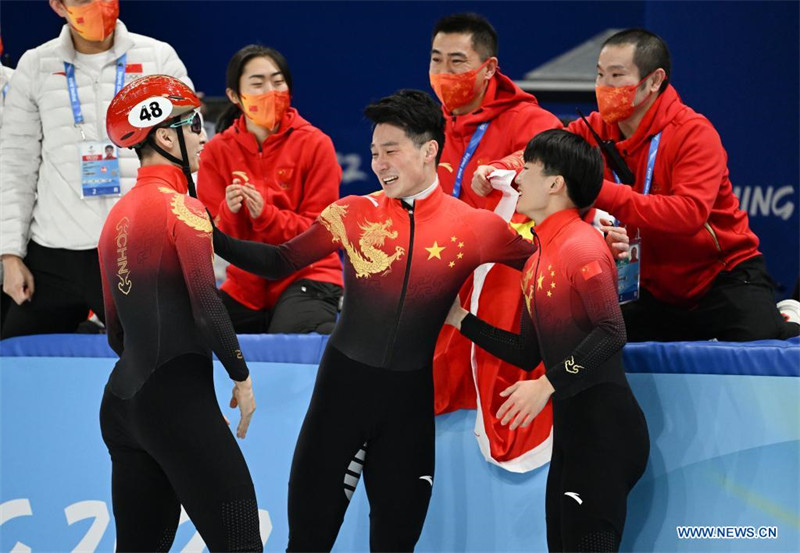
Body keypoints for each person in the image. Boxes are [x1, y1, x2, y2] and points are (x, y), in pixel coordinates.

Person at [211, 90, 537, 551]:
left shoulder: (475, 227)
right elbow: (282, 260)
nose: (379, 163)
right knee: (306, 543)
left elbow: (548, 266)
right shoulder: (353, 214)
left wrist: (604, 247)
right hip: (340, 399)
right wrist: (210, 232)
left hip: (407, 408)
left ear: (429, 151)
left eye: (391, 151)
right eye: (374, 153)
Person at [490, 29, 799, 342]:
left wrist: (599, 190)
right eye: (599, 74)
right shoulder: (594, 129)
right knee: (591, 340)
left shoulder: (693, 133)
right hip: (652, 287)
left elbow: (689, 214)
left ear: (654, 81)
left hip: (722, 277)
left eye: (617, 76)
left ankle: (788, 318)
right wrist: (501, 168)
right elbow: (546, 151)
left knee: (763, 346)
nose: (604, 86)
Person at [446, 129, 649, 552]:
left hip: (605, 431)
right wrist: (460, 319)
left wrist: (548, 384)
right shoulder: (538, 258)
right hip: (574, 432)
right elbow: (526, 352)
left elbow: (612, 331)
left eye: (527, 170)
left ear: (555, 184)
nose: (517, 180)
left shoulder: (582, 247)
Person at [99, 75, 261, 552]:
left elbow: (115, 328)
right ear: (166, 137)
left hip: (122, 404)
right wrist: (242, 376)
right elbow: (208, 305)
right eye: (194, 125)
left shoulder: (116, 216)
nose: (203, 135)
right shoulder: (182, 207)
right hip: (175, 405)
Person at [0, 0, 190, 338]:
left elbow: (187, 150)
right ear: (58, 5)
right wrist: (10, 254)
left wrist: (186, 234)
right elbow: (16, 164)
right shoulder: (35, 66)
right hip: (56, 256)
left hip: (137, 249)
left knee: (159, 361)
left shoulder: (157, 58)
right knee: (17, 358)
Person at [197, 45, 343, 334]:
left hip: (308, 274)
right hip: (245, 286)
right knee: (196, 334)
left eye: (277, 82)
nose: (270, 91)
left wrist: (266, 216)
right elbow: (214, 235)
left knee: (292, 335)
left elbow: (323, 233)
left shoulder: (315, 143)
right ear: (234, 96)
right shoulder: (215, 151)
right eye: (257, 83)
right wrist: (230, 212)